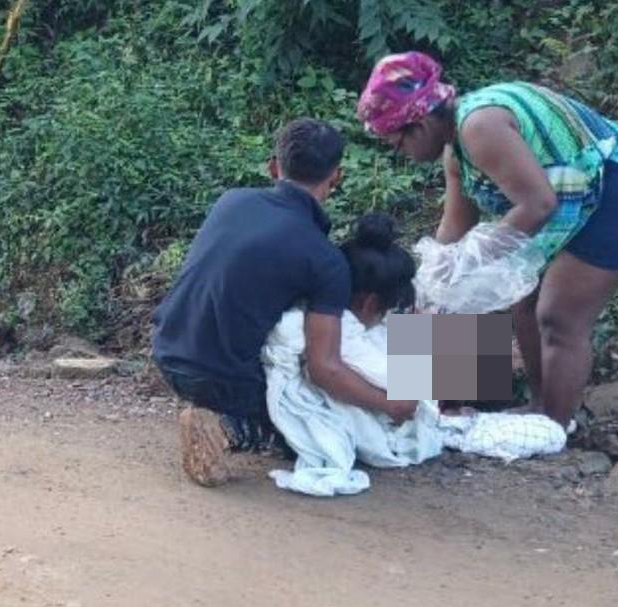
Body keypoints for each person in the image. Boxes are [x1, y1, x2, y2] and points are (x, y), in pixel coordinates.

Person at [355, 52, 618, 427]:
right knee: (509, 295)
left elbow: (539, 203)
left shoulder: (480, 126)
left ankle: (554, 429)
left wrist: (473, 258)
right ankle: (482, 407)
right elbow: (455, 228)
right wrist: (431, 281)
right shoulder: (455, 151)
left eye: (397, 145)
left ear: (420, 124)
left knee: (558, 315)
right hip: (576, 192)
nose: (402, 155)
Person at [151, 119, 420, 487]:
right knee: (313, 422)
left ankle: (485, 379)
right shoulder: (324, 260)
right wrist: (392, 404)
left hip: (167, 350)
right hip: (219, 378)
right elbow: (324, 370)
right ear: (337, 176)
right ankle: (231, 428)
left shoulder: (232, 201)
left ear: (274, 167)